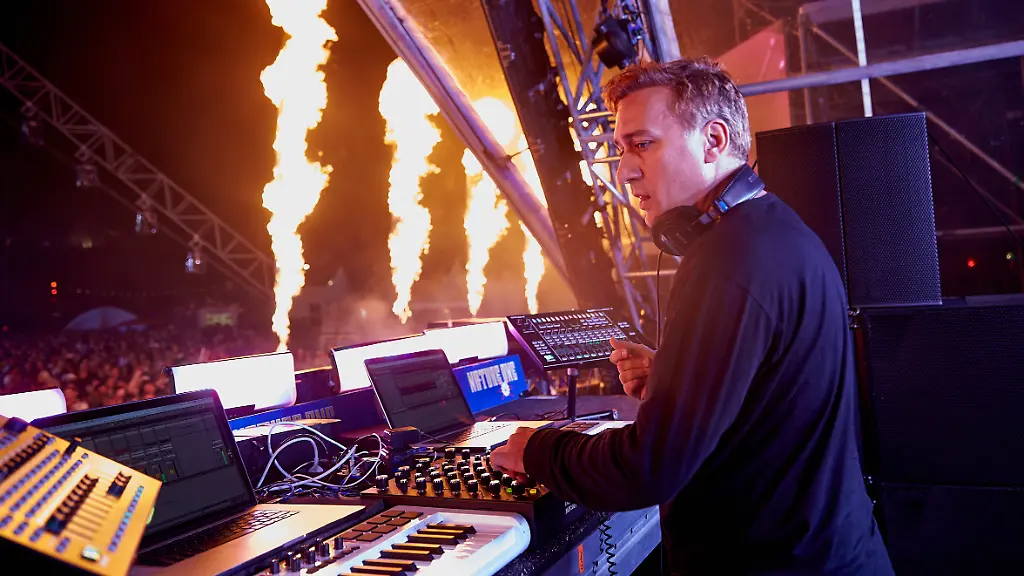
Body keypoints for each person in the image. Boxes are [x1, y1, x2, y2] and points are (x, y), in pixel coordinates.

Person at [490, 57, 893, 575]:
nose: (624, 171)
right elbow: (774, 398)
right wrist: (675, 374)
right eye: (622, 150)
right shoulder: (773, 233)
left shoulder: (726, 261)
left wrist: (539, 450)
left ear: (713, 140)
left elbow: (648, 467)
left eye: (642, 144)